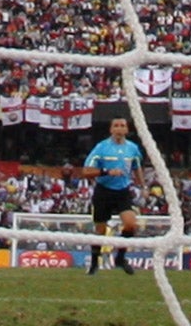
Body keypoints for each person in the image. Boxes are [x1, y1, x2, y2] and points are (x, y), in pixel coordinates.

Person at [81, 117, 146, 276]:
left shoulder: (132, 149)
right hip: (103, 191)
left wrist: (143, 186)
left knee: (131, 224)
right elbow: (86, 171)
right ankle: (95, 262)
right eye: (116, 125)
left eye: (122, 125)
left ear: (127, 130)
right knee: (101, 230)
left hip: (123, 191)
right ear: (111, 130)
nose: (119, 128)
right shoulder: (101, 148)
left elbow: (137, 167)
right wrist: (106, 172)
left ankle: (120, 257)